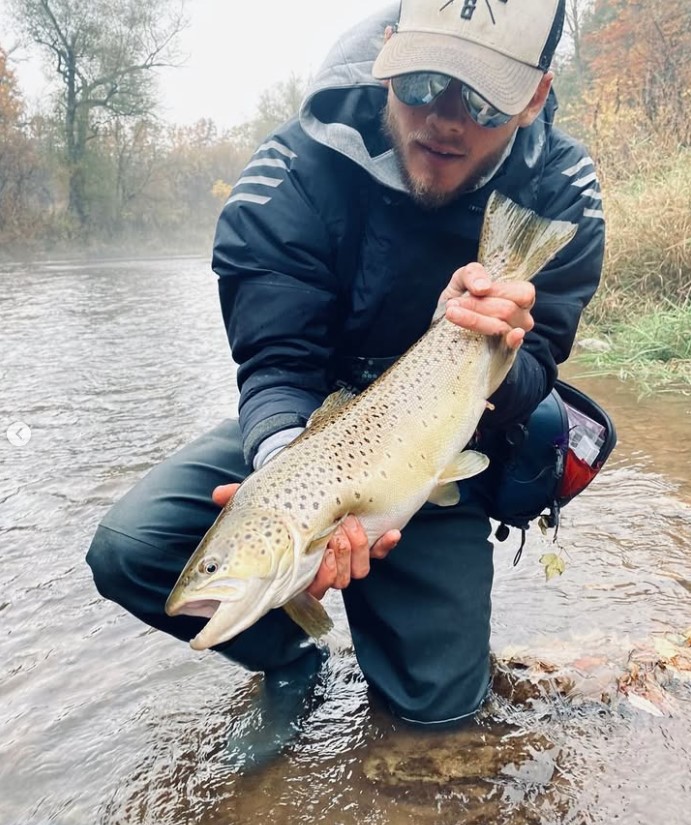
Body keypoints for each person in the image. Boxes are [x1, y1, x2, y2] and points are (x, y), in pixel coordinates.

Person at [87, 0, 604, 746]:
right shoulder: (289, 173)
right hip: (312, 432)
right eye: (422, 82)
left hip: (444, 437)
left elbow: (537, 374)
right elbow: (277, 364)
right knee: (131, 547)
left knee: (438, 722)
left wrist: (500, 345)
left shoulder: (560, 187)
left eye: (484, 99)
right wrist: (282, 464)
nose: (445, 120)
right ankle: (292, 656)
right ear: (387, 53)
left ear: (533, 96)